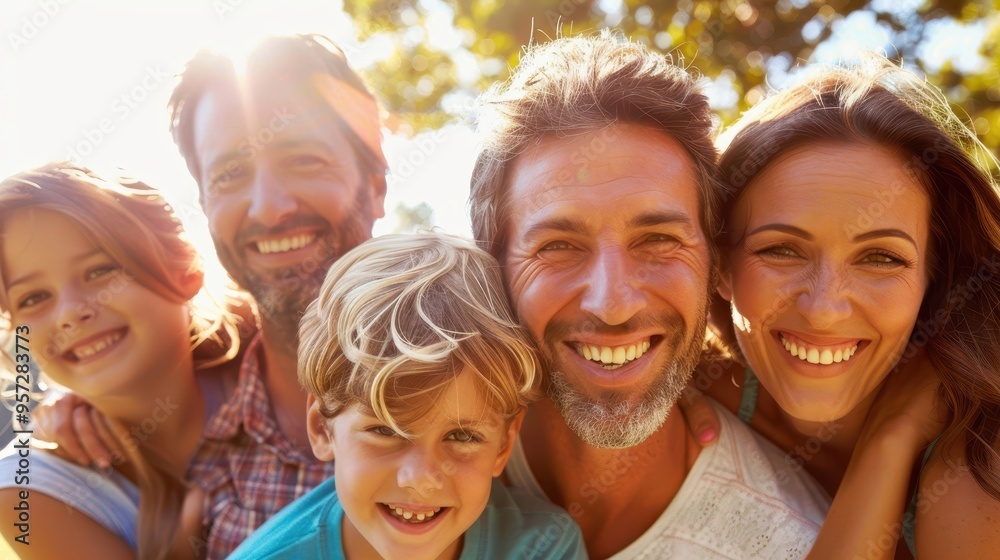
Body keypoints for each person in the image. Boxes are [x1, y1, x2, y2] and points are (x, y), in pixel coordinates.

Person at [468, 32, 830, 559]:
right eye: (558, 245)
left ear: (715, 264)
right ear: (491, 264)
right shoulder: (412, 471)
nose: (613, 303)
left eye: (658, 240)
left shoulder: (794, 544)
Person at [36, 33, 390, 559]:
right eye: (230, 174)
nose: (268, 209)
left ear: (376, 186)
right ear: (204, 206)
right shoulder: (185, 461)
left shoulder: (487, 375)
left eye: (304, 160)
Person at [703, 55, 1000, 558]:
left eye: (881, 258)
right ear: (721, 267)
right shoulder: (686, 384)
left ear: (935, 275)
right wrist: (890, 437)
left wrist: (891, 441)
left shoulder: (979, 456)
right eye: (781, 249)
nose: (824, 309)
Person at [230, 232, 586, 559]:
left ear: (504, 445)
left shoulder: (544, 549)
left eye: (462, 436)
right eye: (385, 431)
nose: (419, 478)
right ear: (323, 429)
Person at [0, 163, 242, 559]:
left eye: (100, 271)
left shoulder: (285, 363)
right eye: (33, 298)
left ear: (185, 267)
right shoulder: (31, 489)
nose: (70, 313)